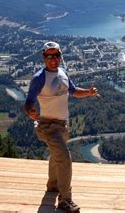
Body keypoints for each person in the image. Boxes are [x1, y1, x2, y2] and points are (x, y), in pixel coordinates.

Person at [24, 41, 98, 213]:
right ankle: (65, 200)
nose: (53, 59)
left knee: (56, 156)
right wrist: (30, 111)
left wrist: (88, 92)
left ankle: (53, 186)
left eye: (56, 55)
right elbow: (28, 101)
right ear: (44, 57)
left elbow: (72, 91)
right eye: (49, 56)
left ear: (60, 56)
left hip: (63, 125)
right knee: (64, 158)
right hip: (48, 126)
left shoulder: (63, 73)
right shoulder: (39, 78)